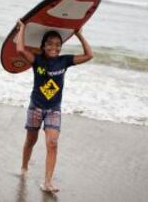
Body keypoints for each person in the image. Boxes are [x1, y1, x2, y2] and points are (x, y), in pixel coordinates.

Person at [16, 19, 93, 193]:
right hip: (35, 106)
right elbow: (20, 49)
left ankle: (47, 182)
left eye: (58, 44)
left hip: (53, 109)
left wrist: (80, 35)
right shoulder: (37, 60)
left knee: (53, 143)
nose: (54, 47)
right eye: (50, 44)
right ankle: (24, 167)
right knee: (31, 140)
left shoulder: (64, 61)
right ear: (43, 46)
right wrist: (22, 28)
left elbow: (89, 55)